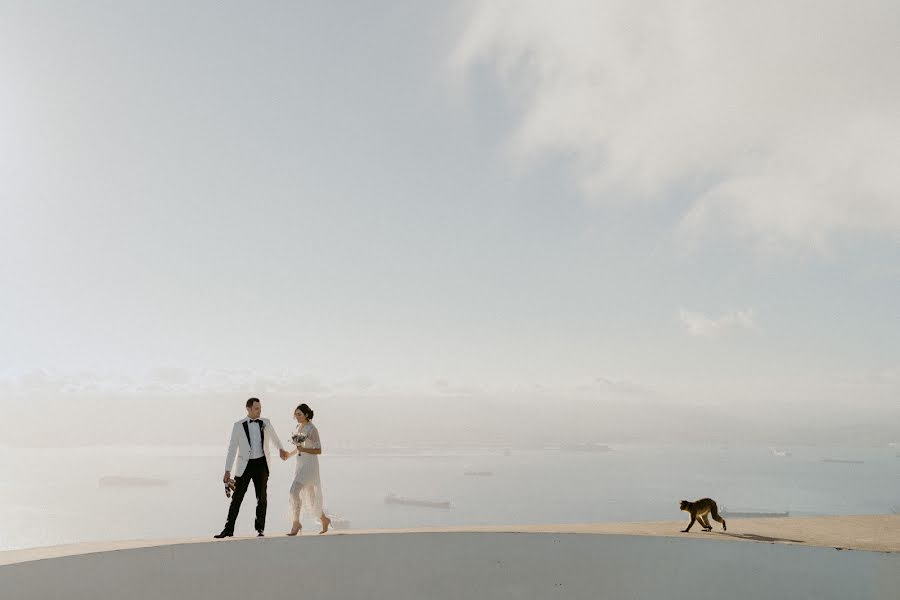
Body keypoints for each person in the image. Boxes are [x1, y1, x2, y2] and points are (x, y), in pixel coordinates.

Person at [214, 398, 288, 538]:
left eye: (260, 408)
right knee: (237, 498)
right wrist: (227, 470)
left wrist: (281, 449)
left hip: (261, 464)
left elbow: (274, 438)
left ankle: (260, 529)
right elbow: (232, 448)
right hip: (244, 466)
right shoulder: (238, 425)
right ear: (248, 409)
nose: (259, 410)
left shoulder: (266, 422)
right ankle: (228, 529)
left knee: (262, 498)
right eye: (256, 408)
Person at [284, 403, 331, 535]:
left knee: (294, 491)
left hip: (310, 465)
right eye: (295, 414)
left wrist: (303, 449)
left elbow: (319, 450)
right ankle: (324, 519)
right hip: (300, 464)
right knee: (311, 498)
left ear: (306, 415)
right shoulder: (298, 427)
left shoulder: (312, 429)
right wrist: (289, 455)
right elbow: (298, 447)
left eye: (299, 414)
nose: (296, 416)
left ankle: (296, 522)